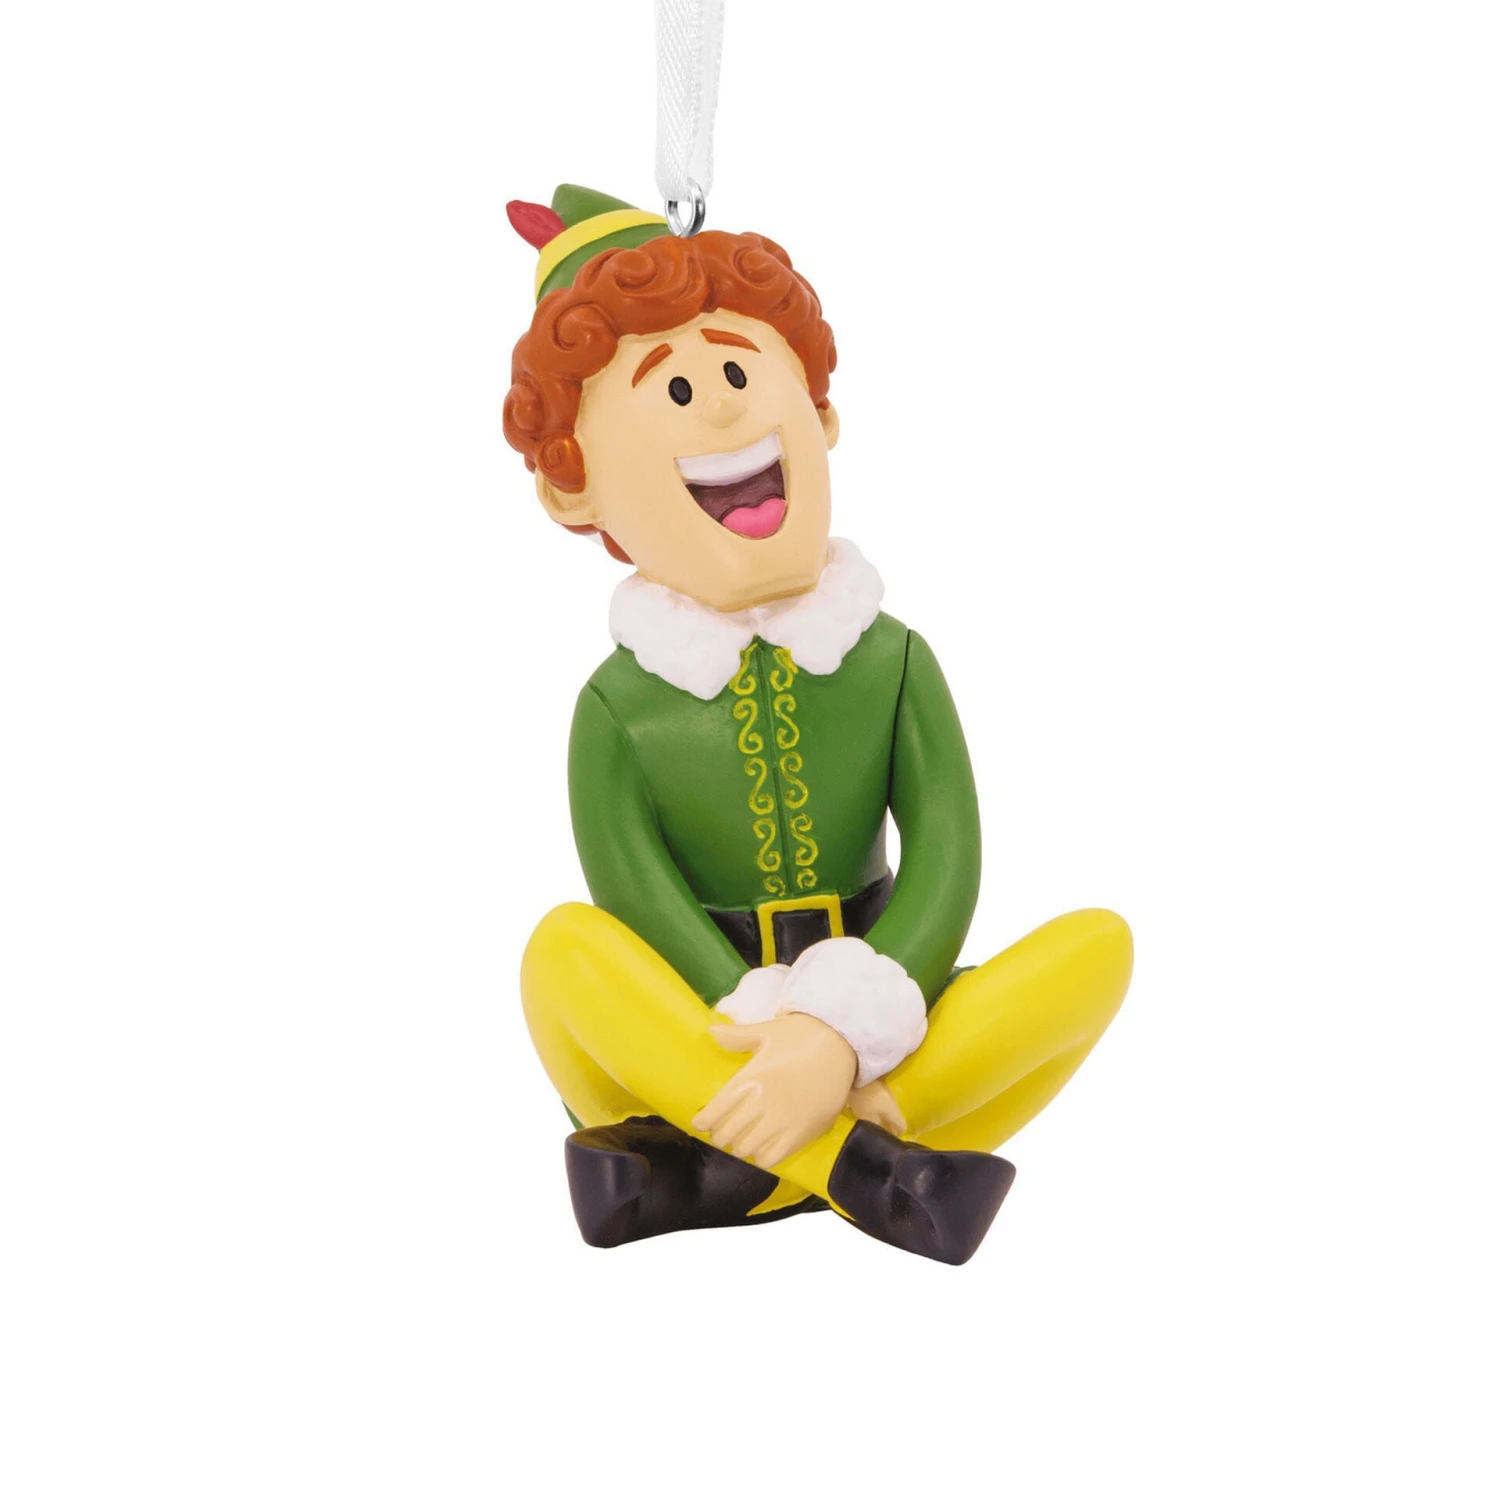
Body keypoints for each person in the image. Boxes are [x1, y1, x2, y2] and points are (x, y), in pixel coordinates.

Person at [504, 185, 1133, 1263]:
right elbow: (638, 905)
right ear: (575, 491)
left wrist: (837, 1036)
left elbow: (947, 867)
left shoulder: (893, 662)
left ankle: (719, 1173)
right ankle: (863, 1171)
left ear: (820, 414)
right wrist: (766, 1036)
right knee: (563, 952)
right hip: (696, 1043)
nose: (718, 411)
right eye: (676, 390)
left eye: (740, 374)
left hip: (884, 1023)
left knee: (1097, 950)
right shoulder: (617, 709)